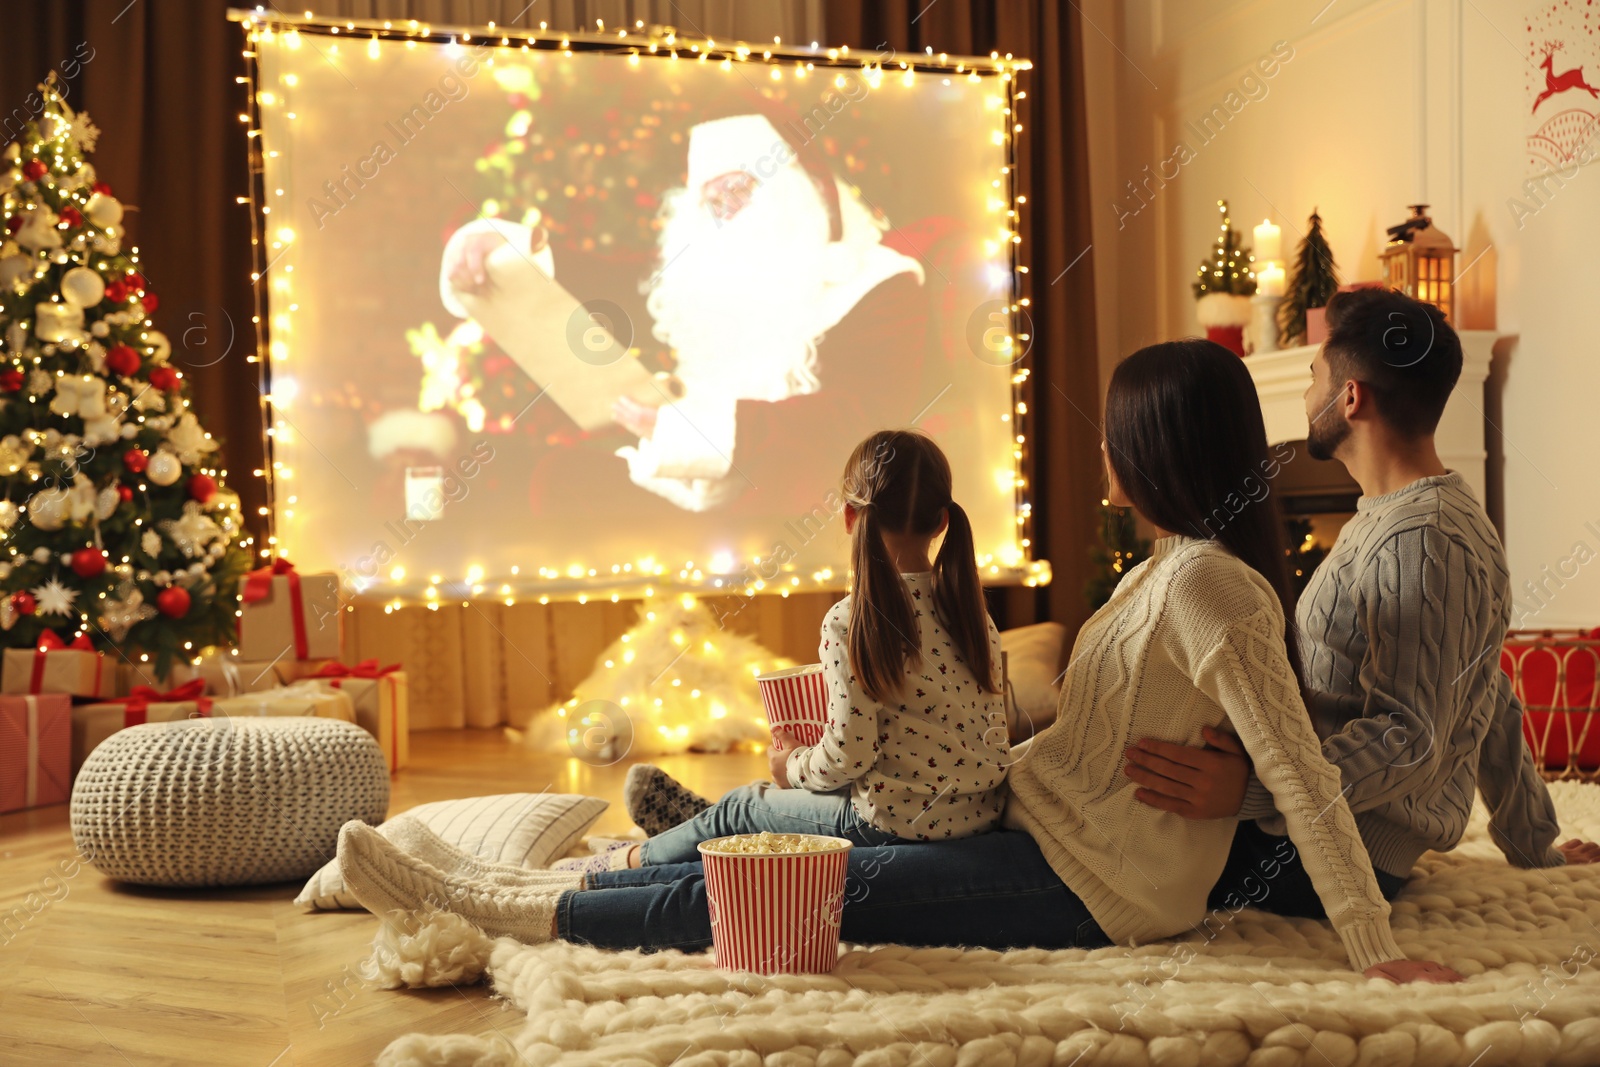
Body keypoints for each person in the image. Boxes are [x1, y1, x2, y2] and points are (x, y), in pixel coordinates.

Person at [335, 341, 1458, 983]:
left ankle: (502, 904)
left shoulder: (1213, 585)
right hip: (1023, 816)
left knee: (791, 888)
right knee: (758, 820)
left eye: (1113, 435)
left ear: (1150, 450)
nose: (1102, 454)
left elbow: (1303, 772)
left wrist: (1371, 945)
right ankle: (549, 881)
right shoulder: (1165, 572)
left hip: (1088, 885)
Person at [1122, 289, 1600, 920]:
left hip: (1320, 853)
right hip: (1304, 824)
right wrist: (1535, 846)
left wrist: (1255, 789)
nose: (1303, 396)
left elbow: (1411, 735)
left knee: (1092, 843)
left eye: (1313, 377)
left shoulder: (1422, 537)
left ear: (1351, 397)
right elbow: (1489, 692)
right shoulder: (1407, 519)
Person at [549, 429, 1009, 874]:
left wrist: (791, 764)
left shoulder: (850, 621)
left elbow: (848, 758)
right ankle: (690, 829)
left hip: (887, 825)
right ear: (943, 521)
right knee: (757, 808)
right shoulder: (973, 615)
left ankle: (622, 863)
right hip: (976, 817)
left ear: (850, 517)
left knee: (744, 805)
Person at [440, 113, 928, 513]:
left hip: (799, 493)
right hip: (698, 477)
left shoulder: (876, 282)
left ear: (792, 189)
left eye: (740, 189)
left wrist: (693, 430)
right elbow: (609, 283)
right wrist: (502, 248)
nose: (727, 212)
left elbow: (867, 422)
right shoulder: (718, 276)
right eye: (711, 200)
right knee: (557, 479)